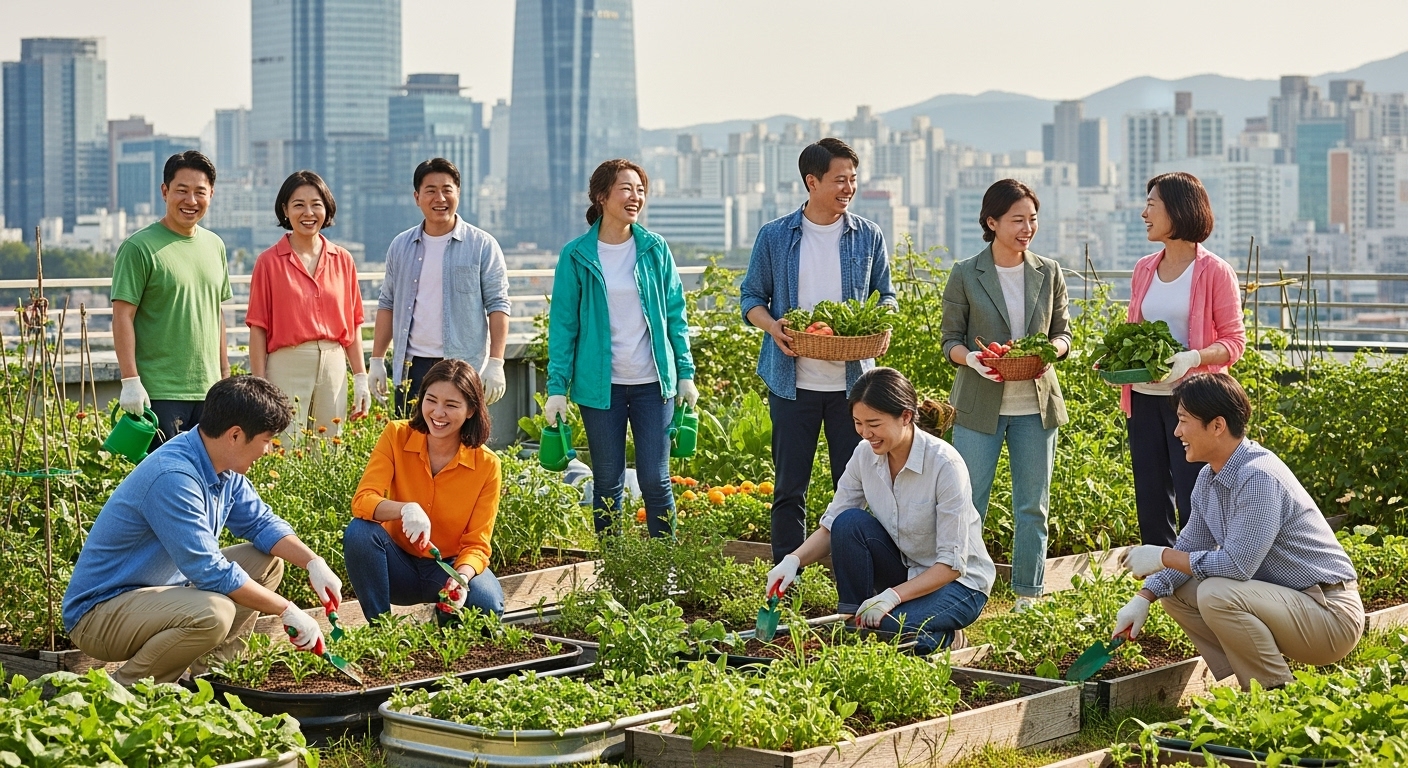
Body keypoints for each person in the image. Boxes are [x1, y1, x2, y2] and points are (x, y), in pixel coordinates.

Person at [62, 376, 340, 685]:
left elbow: (261, 523)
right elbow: (209, 570)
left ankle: (212, 677)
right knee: (213, 614)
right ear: (235, 435)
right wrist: (286, 610)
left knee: (266, 562)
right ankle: (126, 693)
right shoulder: (174, 476)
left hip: (158, 594)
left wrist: (315, 563)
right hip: (100, 614)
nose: (267, 450)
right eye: (265, 440)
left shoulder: (221, 464)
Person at [1113, 373, 1362, 691]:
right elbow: (1191, 543)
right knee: (1174, 590)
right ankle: (1251, 678)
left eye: (1184, 421)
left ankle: (1273, 693)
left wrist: (1162, 555)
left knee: (1216, 592)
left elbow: (1236, 566)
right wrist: (1144, 598)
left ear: (1217, 426)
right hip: (1290, 605)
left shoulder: (1257, 477)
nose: (1177, 432)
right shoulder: (1209, 478)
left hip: (1329, 615)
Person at [740, 138, 896, 563]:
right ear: (812, 182)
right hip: (792, 385)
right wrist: (773, 327)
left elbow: (887, 296)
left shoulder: (868, 235)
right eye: (839, 180)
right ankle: (784, 583)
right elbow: (751, 297)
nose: (848, 188)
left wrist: (882, 323)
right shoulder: (775, 236)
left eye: (853, 180)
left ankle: (855, 582)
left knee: (856, 491)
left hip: (854, 390)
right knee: (790, 489)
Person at [766, 367, 993, 653]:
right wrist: (792, 561)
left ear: (906, 417)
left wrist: (891, 597)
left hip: (960, 584)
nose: (865, 433)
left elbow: (951, 565)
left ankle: (949, 637)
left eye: (873, 423)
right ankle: (853, 622)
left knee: (891, 631)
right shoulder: (864, 455)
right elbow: (833, 523)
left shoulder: (945, 465)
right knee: (848, 522)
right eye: (858, 423)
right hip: (909, 570)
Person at [544, 159, 697, 537]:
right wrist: (556, 388)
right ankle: (613, 569)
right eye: (626, 188)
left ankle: (665, 567)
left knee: (656, 480)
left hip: (652, 384)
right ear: (602, 196)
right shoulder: (577, 254)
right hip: (601, 389)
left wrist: (686, 374)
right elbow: (563, 326)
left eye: (640, 190)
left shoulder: (655, 249)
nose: (636, 197)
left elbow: (676, 317)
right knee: (608, 483)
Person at [940, 179, 1071, 611]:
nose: (1027, 228)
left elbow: (1063, 334)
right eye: (1017, 220)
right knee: (968, 500)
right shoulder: (966, 273)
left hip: (1036, 405)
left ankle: (1027, 595)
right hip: (980, 405)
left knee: (1033, 505)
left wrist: (1054, 350)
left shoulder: (1048, 271)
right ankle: (966, 586)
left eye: (1032, 219)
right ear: (991, 221)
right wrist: (970, 360)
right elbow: (950, 340)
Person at [1121, 172, 1246, 547]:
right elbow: (1134, 334)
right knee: (1150, 496)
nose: (1144, 213)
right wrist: (1116, 361)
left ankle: (1200, 579)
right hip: (1143, 397)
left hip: (1191, 404)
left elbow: (1234, 342)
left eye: (1151, 205)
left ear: (1178, 210)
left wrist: (1193, 357)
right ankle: (1160, 584)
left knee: (1196, 497)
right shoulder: (1144, 268)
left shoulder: (1214, 271)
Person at [344, 358, 505, 622]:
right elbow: (363, 500)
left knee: (486, 603)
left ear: (471, 410)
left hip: (446, 567)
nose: (438, 413)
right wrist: (404, 509)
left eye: (451, 405)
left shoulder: (487, 465)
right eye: (431, 400)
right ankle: (380, 632)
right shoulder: (396, 435)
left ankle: (449, 641)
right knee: (360, 532)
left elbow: (477, 544)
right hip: (397, 566)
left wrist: (461, 578)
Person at [369, 158, 510, 417]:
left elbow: (498, 304)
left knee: (464, 445)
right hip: (412, 366)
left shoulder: (482, 245)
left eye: (447, 189)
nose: (440, 198)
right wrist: (377, 359)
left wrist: (496, 362)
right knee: (411, 445)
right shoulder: (400, 246)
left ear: (459, 193)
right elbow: (387, 303)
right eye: (430, 190)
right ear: (417, 197)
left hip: (462, 367)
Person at [112, 150, 231, 448]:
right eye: (182, 191)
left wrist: (225, 377)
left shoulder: (215, 246)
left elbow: (215, 312)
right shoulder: (138, 247)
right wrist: (130, 381)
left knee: (208, 480)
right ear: (165, 191)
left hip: (209, 391)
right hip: (159, 393)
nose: (191, 201)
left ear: (211, 194)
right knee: (164, 482)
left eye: (200, 192)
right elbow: (122, 315)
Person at [246, 170, 370, 440]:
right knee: (284, 443)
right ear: (285, 210)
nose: (308, 213)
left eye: (316, 204)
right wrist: (259, 384)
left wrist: (361, 377)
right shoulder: (268, 262)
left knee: (330, 445)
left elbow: (353, 323)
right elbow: (258, 327)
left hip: (334, 363)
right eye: (298, 205)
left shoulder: (343, 259)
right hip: (286, 362)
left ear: (327, 209)